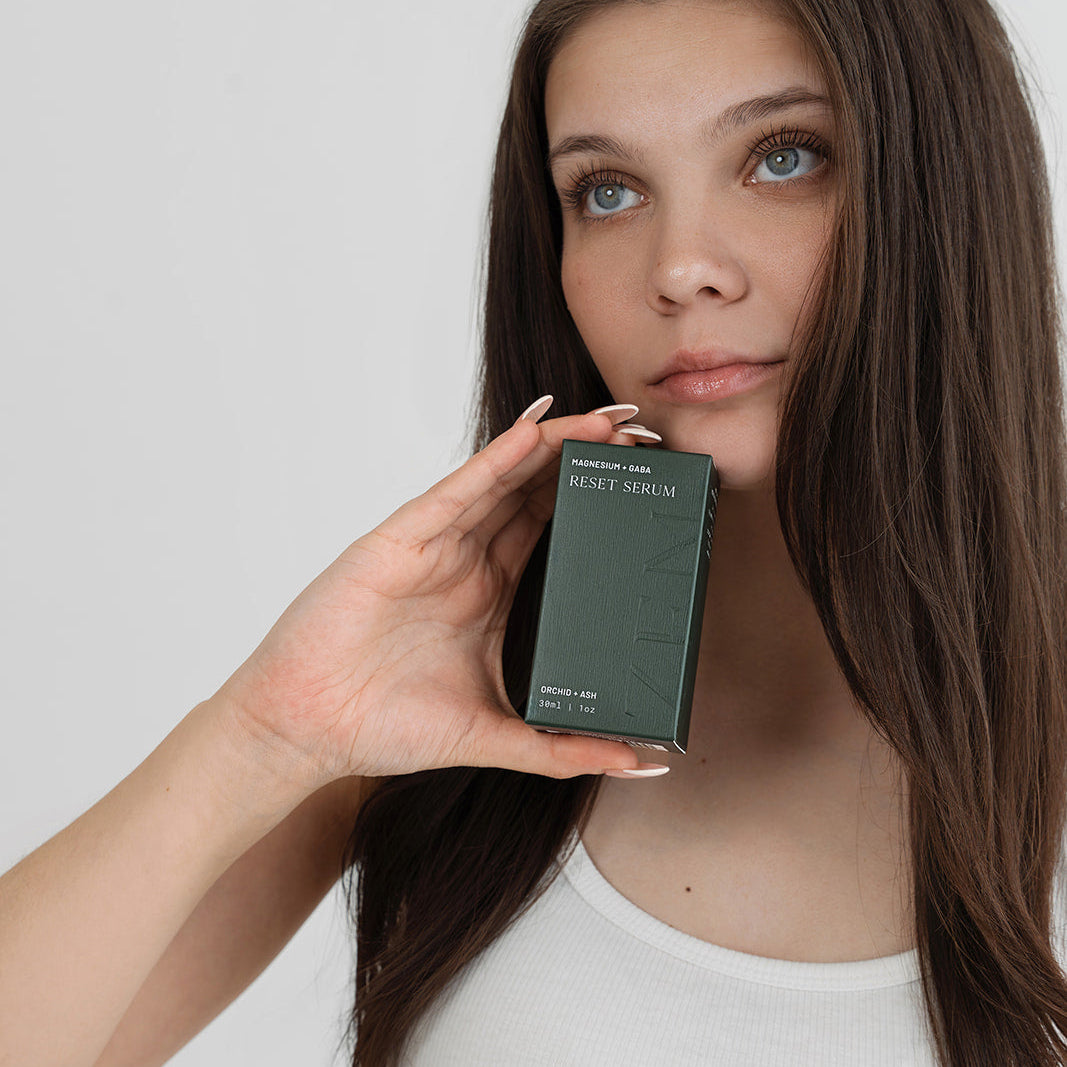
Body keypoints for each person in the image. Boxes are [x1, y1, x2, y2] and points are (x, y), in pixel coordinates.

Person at [2, 0, 1066, 1064]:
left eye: (782, 156)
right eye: (606, 191)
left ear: (947, 194)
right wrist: (267, 736)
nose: (679, 265)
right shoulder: (462, 683)